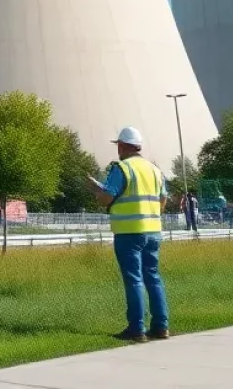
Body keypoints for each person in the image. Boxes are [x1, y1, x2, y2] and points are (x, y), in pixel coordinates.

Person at [86, 126, 170, 343]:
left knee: (134, 280)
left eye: (118, 147)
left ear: (122, 146)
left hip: (128, 233)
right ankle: (161, 327)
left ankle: (137, 329)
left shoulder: (122, 168)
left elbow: (107, 197)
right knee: (153, 277)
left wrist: (96, 191)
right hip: (153, 231)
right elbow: (163, 200)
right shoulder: (154, 170)